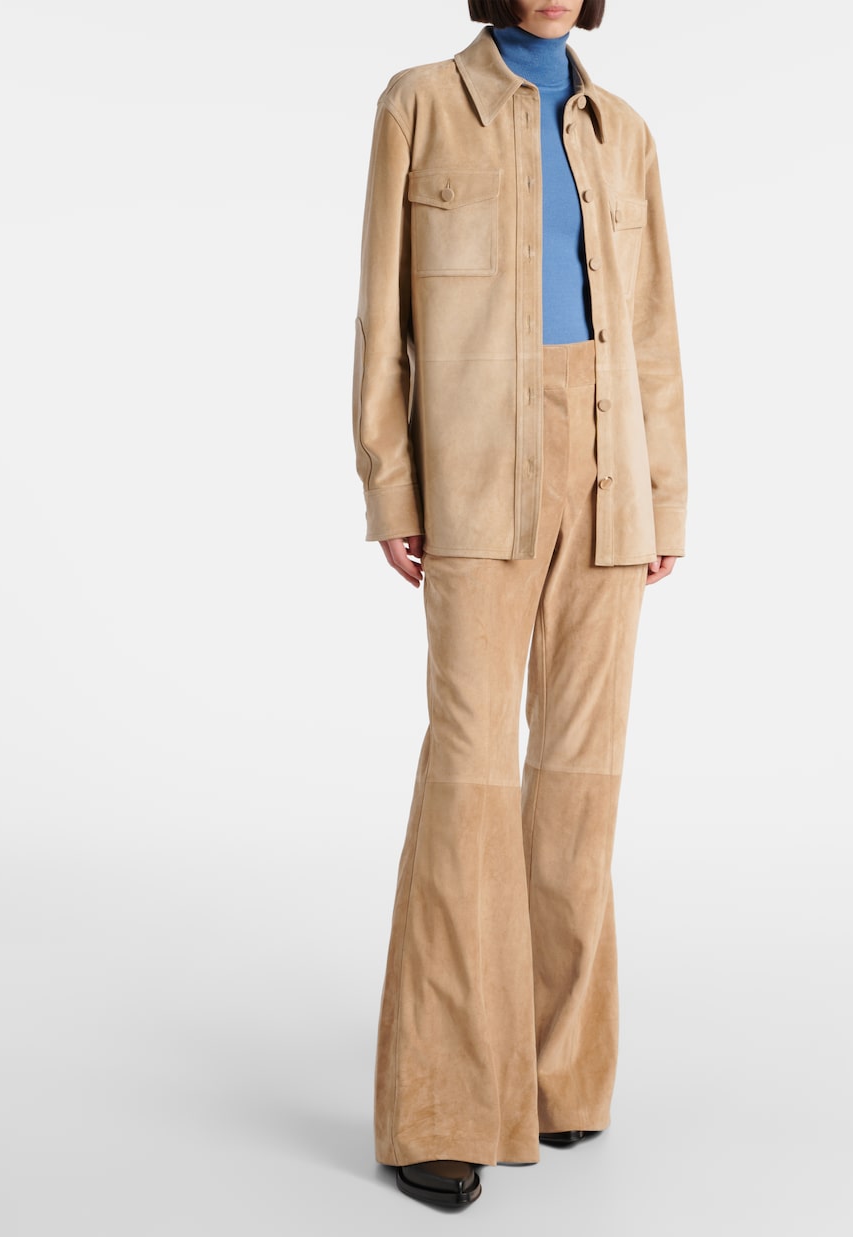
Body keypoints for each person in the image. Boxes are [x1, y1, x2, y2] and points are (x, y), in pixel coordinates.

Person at [352, 0, 687, 1209]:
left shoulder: (622, 131)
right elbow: (382, 317)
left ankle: (556, 1072)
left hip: (607, 468)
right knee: (469, 774)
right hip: (473, 470)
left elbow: (650, 331)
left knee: (580, 780)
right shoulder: (418, 104)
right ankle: (440, 1102)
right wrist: (392, 484)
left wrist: (661, 495)